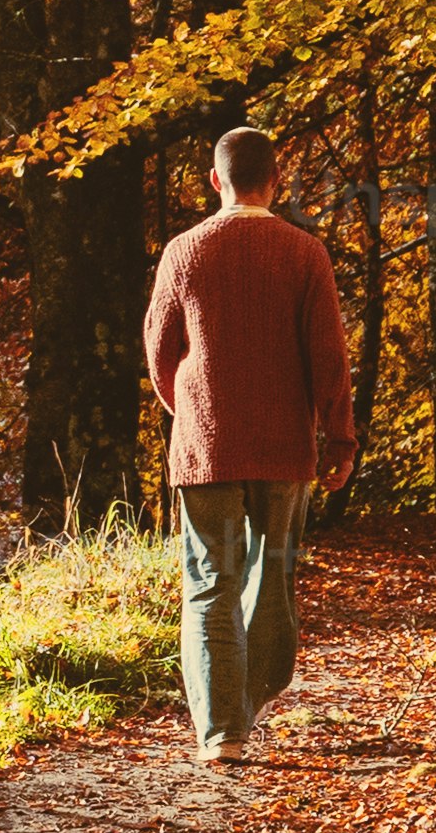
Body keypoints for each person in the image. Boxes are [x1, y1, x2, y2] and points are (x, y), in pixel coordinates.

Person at [139, 125, 356, 761]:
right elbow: (328, 355)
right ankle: (256, 693)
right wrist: (338, 434)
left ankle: (223, 730)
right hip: (287, 443)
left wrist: (193, 412)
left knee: (209, 583)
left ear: (215, 181)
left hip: (207, 444)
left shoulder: (184, 252)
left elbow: (159, 352)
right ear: (275, 180)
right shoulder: (304, 253)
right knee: (273, 575)